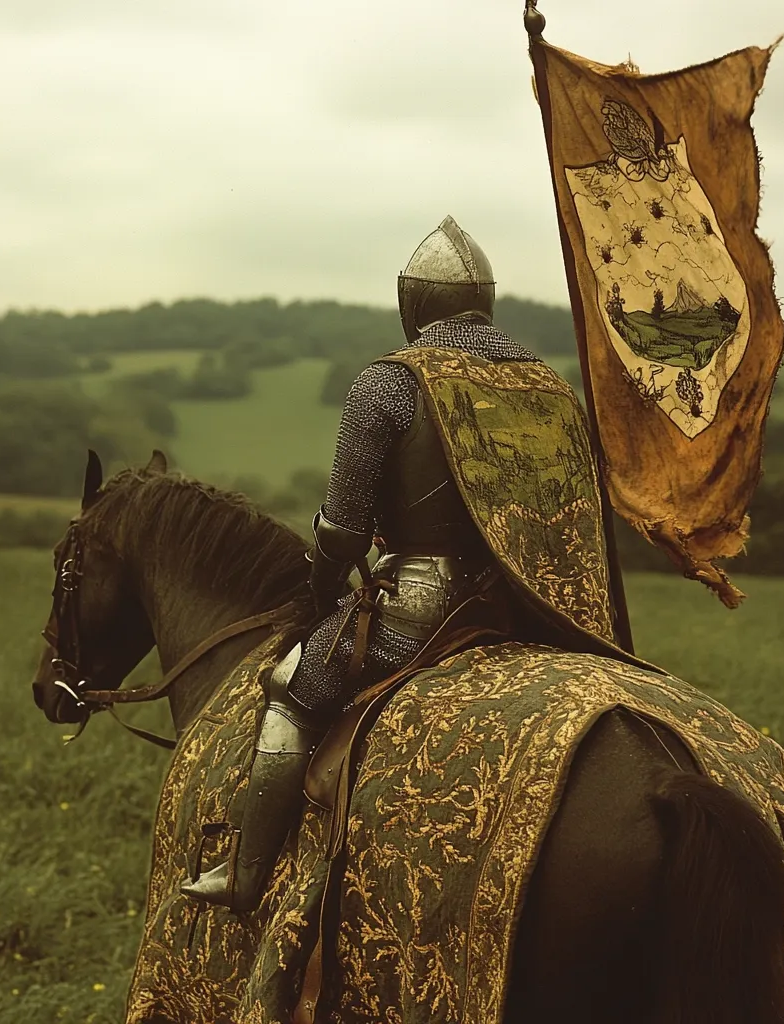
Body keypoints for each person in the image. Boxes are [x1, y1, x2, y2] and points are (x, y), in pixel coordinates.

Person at [180, 216, 559, 912]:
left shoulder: (388, 384)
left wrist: (323, 591)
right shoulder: (542, 384)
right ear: (488, 299)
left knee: (291, 689)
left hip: (422, 608)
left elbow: (345, 533)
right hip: (528, 602)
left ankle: (243, 876)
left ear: (411, 302)